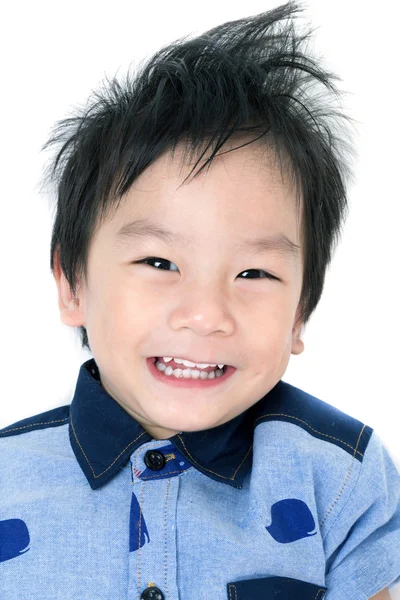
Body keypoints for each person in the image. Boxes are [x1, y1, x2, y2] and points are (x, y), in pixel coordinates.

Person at [0, 2, 398, 598]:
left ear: (301, 311)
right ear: (72, 282)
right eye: (160, 263)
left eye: (255, 273)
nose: (206, 314)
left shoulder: (340, 477)